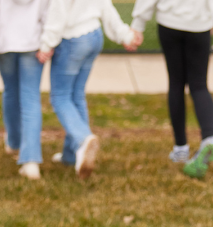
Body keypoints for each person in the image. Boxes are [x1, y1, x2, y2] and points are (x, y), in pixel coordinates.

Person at [37, 0, 142, 179]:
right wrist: (124, 35)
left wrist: (47, 44)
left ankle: (83, 139)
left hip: (72, 40)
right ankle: (71, 156)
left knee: (60, 97)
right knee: (76, 96)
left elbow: (58, 9)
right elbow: (106, 7)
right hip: (94, 36)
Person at [130, 0, 213, 177]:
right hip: (200, 25)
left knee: (176, 84)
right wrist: (212, 17)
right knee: (199, 86)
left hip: (170, 23)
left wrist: (138, 25)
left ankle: (180, 148)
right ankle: (209, 137)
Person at [0, 0, 50, 180]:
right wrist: (47, 41)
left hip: (4, 42)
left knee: (10, 91)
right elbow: (48, 11)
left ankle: (14, 143)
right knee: (30, 97)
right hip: (33, 42)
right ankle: (30, 159)